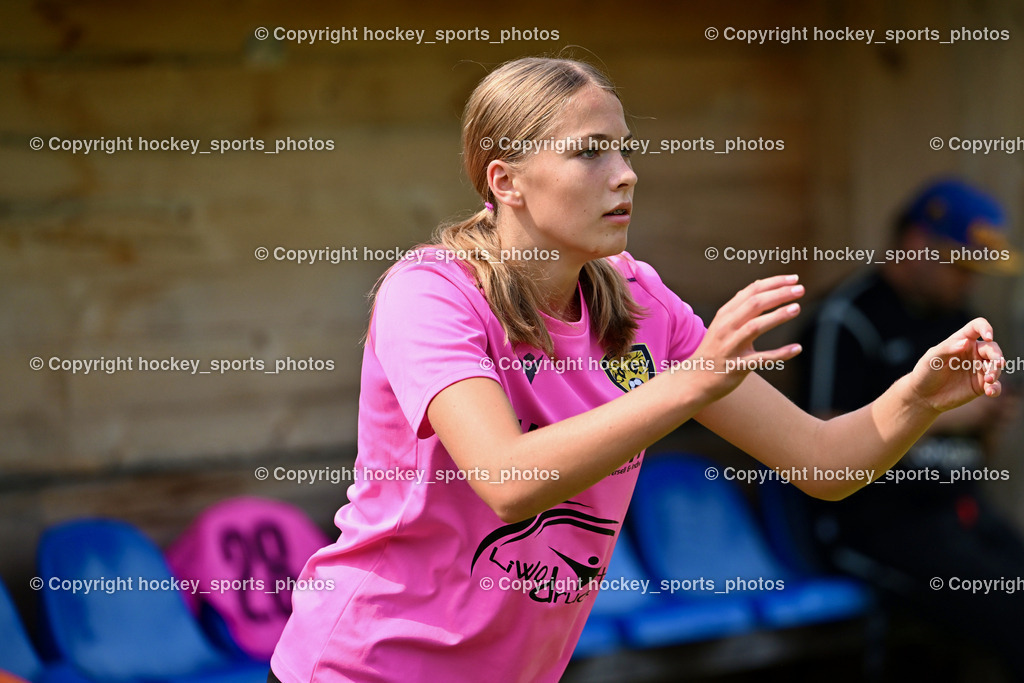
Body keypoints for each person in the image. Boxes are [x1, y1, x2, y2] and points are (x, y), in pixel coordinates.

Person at [269, 58, 1005, 683]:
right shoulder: (430, 292)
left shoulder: (642, 303)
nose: (625, 175)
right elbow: (507, 480)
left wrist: (918, 397)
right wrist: (688, 383)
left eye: (625, 150)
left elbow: (825, 463)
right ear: (506, 180)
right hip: (362, 665)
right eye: (591, 152)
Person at [796, 178, 1024, 678]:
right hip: (874, 525)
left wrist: (988, 420)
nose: (969, 282)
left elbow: (973, 446)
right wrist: (938, 415)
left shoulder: (957, 318)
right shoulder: (848, 318)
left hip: (959, 514)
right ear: (917, 244)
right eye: (961, 266)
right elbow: (815, 440)